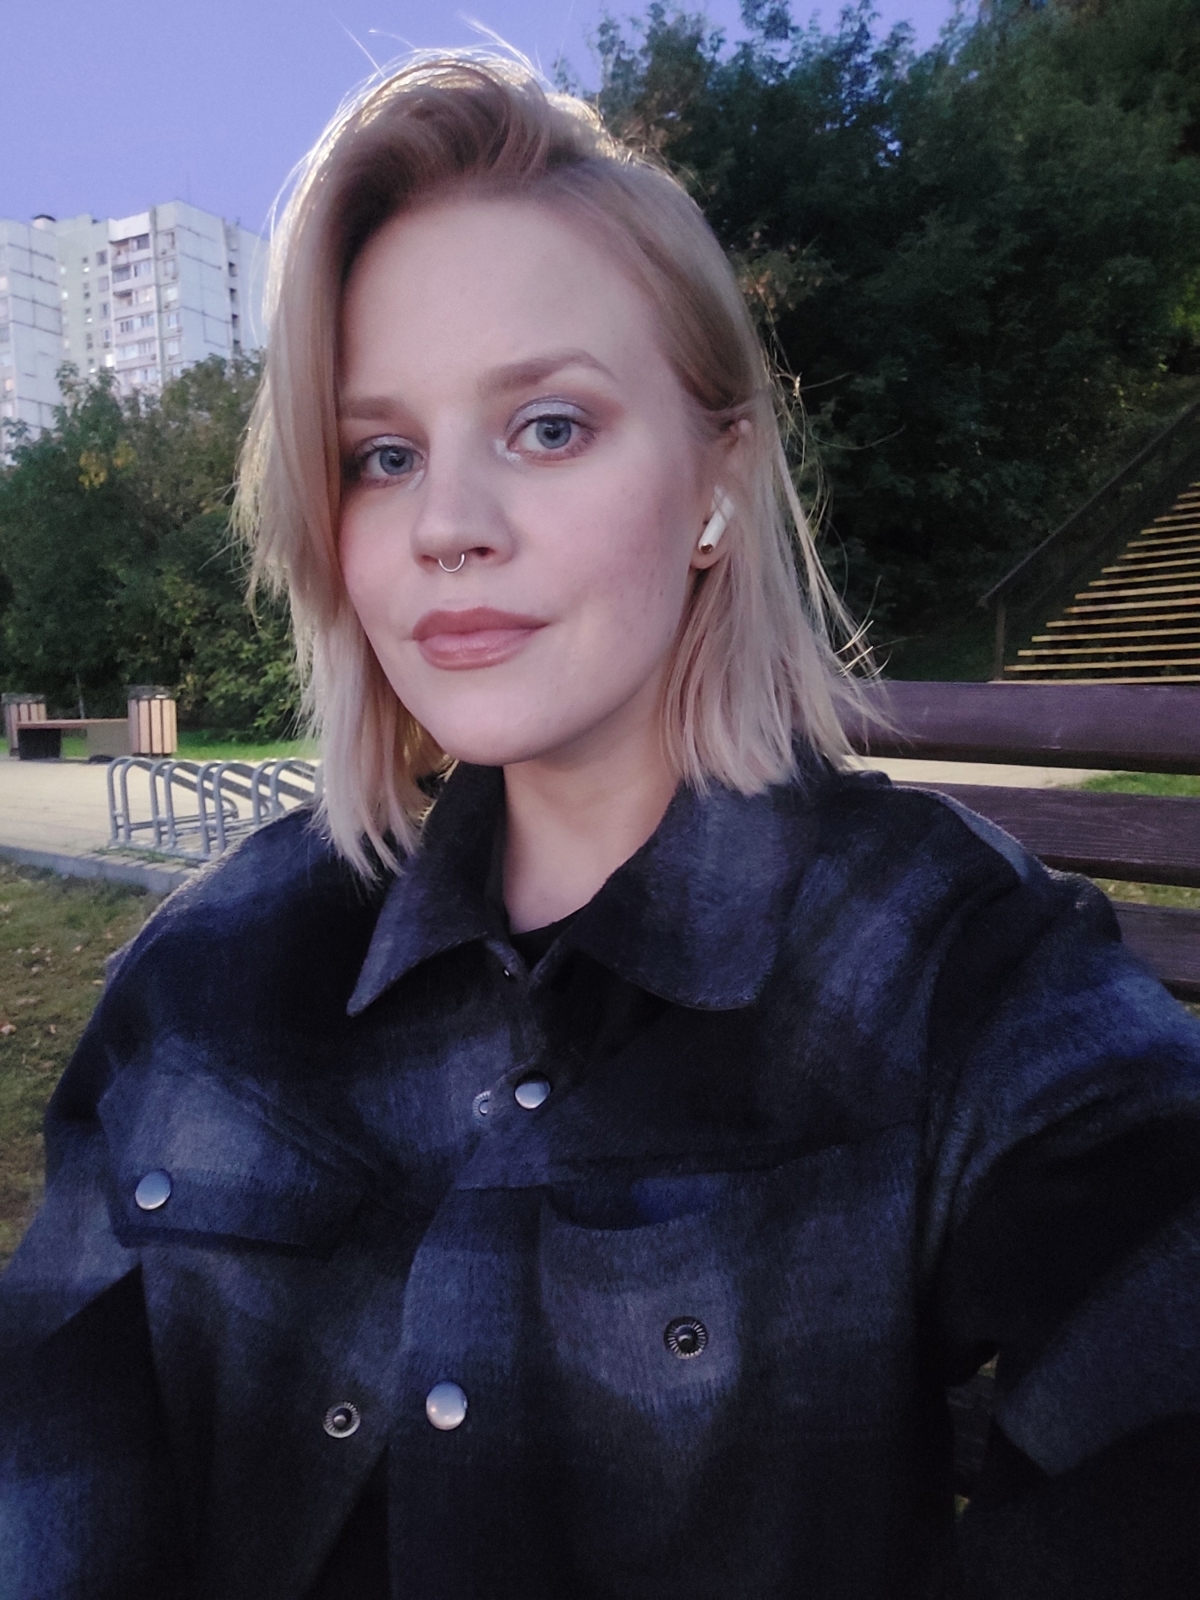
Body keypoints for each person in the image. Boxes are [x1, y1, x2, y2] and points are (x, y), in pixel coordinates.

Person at [2, 51, 1199, 1600]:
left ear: (716, 480)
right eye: (382, 456)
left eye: (550, 426)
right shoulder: (212, 970)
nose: (448, 524)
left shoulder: (941, 966)